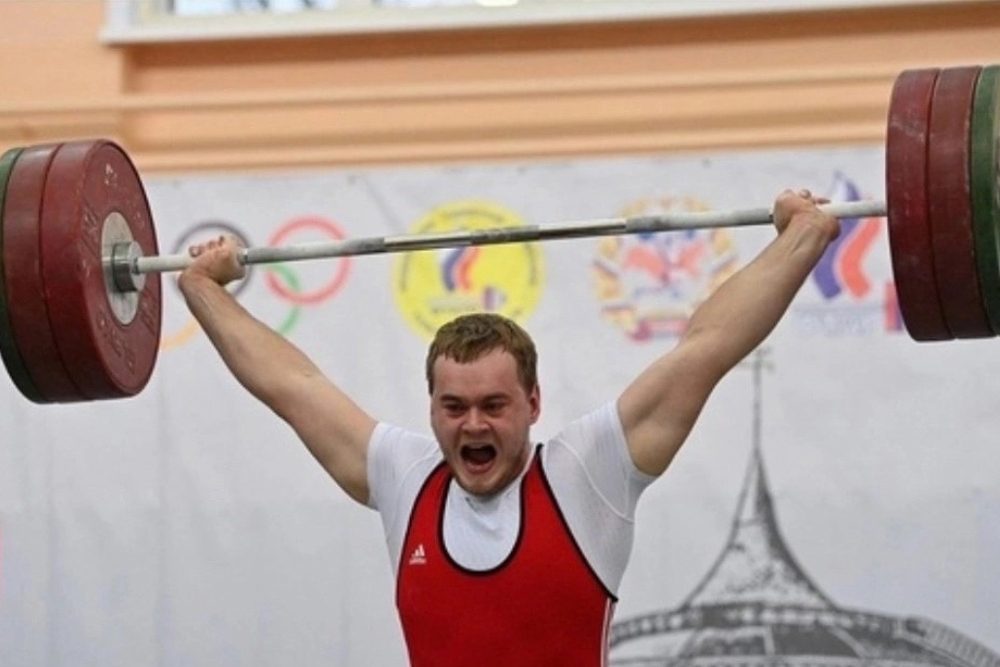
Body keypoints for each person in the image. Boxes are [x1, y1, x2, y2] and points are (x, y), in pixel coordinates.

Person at [178, 189, 839, 666]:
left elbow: (707, 347)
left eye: (494, 405)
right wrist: (202, 288)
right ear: (431, 407)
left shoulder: (588, 473)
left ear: (533, 402)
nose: (473, 424)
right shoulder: (404, 476)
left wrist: (802, 236)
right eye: (454, 406)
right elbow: (293, 385)